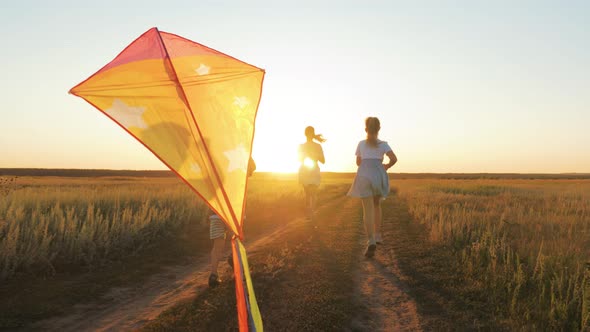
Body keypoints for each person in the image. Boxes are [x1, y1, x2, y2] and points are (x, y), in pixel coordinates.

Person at [348, 117, 397, 258]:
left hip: (364, 175)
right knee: (376, 205)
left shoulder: (361, 144)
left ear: (365, 129)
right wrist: (385, 166)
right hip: (378, 175)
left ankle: (370, 240)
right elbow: (394, 159)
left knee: (366, 209)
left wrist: (365, 164)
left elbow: (358, 162)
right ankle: (377, 235)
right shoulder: (383, 144)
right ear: (379, 129)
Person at [208, 157, 256, 287]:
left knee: (217, 245)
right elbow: (252, 168)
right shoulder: (238, 172)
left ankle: (213, 274)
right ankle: (239, 273)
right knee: (237, 241)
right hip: (233, 214)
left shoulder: (214, 172)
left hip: (215, 214)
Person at [298, 126, 326, 221]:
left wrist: (314, 155)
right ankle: (310, 212)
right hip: (306, 170)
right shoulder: (301, 146)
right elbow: (299, 159)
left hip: (312, 170)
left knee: (312, 193)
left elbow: (323, 160)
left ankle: (311, 213)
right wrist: (306, 155)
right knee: (308, 194)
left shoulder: (317, 146)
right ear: (306, 134)